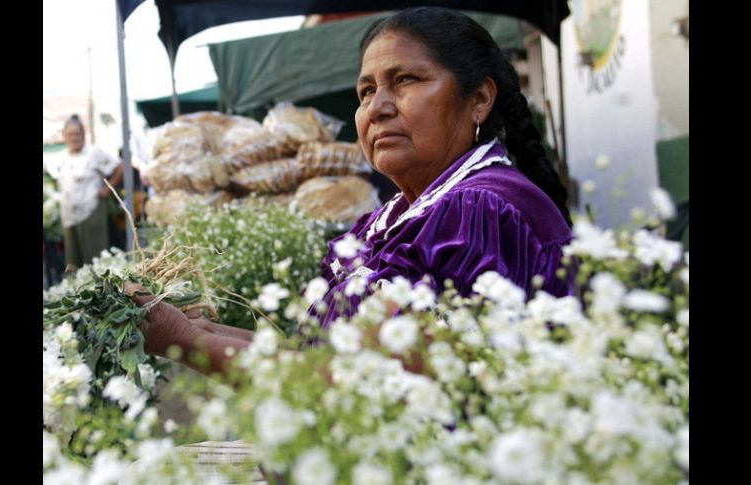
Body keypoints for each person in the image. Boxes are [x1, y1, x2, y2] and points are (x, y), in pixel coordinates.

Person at [126, 7, 573, 374]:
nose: (377, 107)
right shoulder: (390, 220)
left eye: (406, 81)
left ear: (478, 99)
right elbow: (321, 357)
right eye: (365, 91)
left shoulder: (479, 211)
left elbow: (373, 385)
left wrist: (189, 343)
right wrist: (202, 332)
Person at [56, 115, 124, 271]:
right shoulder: (63, 157)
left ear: (83, 135)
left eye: (77, 134)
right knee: (73, 264)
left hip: (91, 212)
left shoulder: (94, 152)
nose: (74, 138)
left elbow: (120, 167)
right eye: (70, 134)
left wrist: (108, 189)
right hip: (69, 217)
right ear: (65, 137)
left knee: (95, 261)